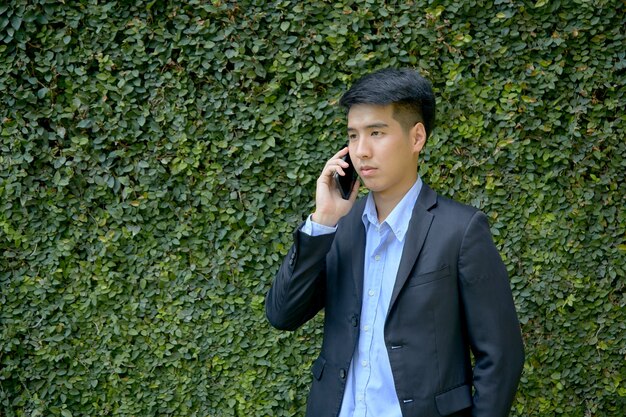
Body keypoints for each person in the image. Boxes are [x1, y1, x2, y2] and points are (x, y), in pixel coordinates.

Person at [265, 68, 524, 417]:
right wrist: (322, 221)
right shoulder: (340, 228)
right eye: (353, 136)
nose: (361, 151)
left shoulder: (460, 231)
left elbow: (502, 355)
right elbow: (282, 314)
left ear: (417, 138)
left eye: (376, 133)